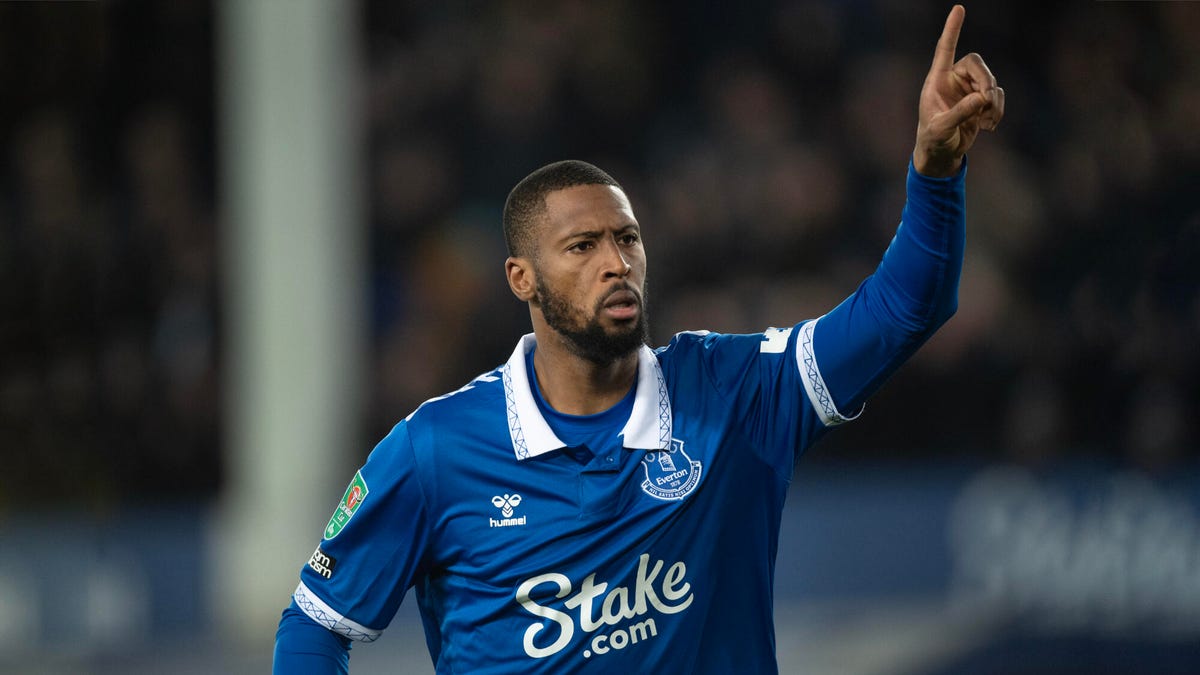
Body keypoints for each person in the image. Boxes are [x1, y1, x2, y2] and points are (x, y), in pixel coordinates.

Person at [273, 5, 1004, 673]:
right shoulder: (435, 448)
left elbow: (907, 308)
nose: (616, 263)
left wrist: (935, 174)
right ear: (521, 278)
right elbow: (315, 624)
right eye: (582, 246)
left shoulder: (735, 393)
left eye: (626, 239)